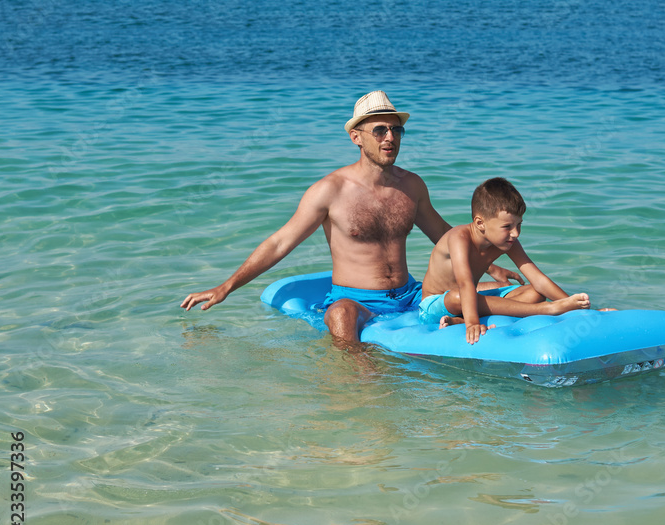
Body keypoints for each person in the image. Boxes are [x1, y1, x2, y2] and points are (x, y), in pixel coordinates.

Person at [180, 91, 520, 342]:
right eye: (380, 130)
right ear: (355, 137)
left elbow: (445, 234)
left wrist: (491, 266)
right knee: (340, 316)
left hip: (412, 294)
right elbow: (280, 242)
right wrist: (226, 286)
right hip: (356, 300)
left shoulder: (412, 186)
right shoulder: (330, 191)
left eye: (396, 130)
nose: (390, 137)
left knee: (515, 291)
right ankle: (359, 389)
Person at [418, 177, 591, 344]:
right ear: (480, 223)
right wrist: (472, 324)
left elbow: (538, 279)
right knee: (458, 296)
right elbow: (465, 284)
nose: (515, 233)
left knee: (535, 292)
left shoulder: (507, 241)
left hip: (471, 299)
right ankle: (546, 309)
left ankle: (458, 320)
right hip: (435, 305)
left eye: (519, 225)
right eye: (507, 227)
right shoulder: (459, 238)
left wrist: (576, 307)